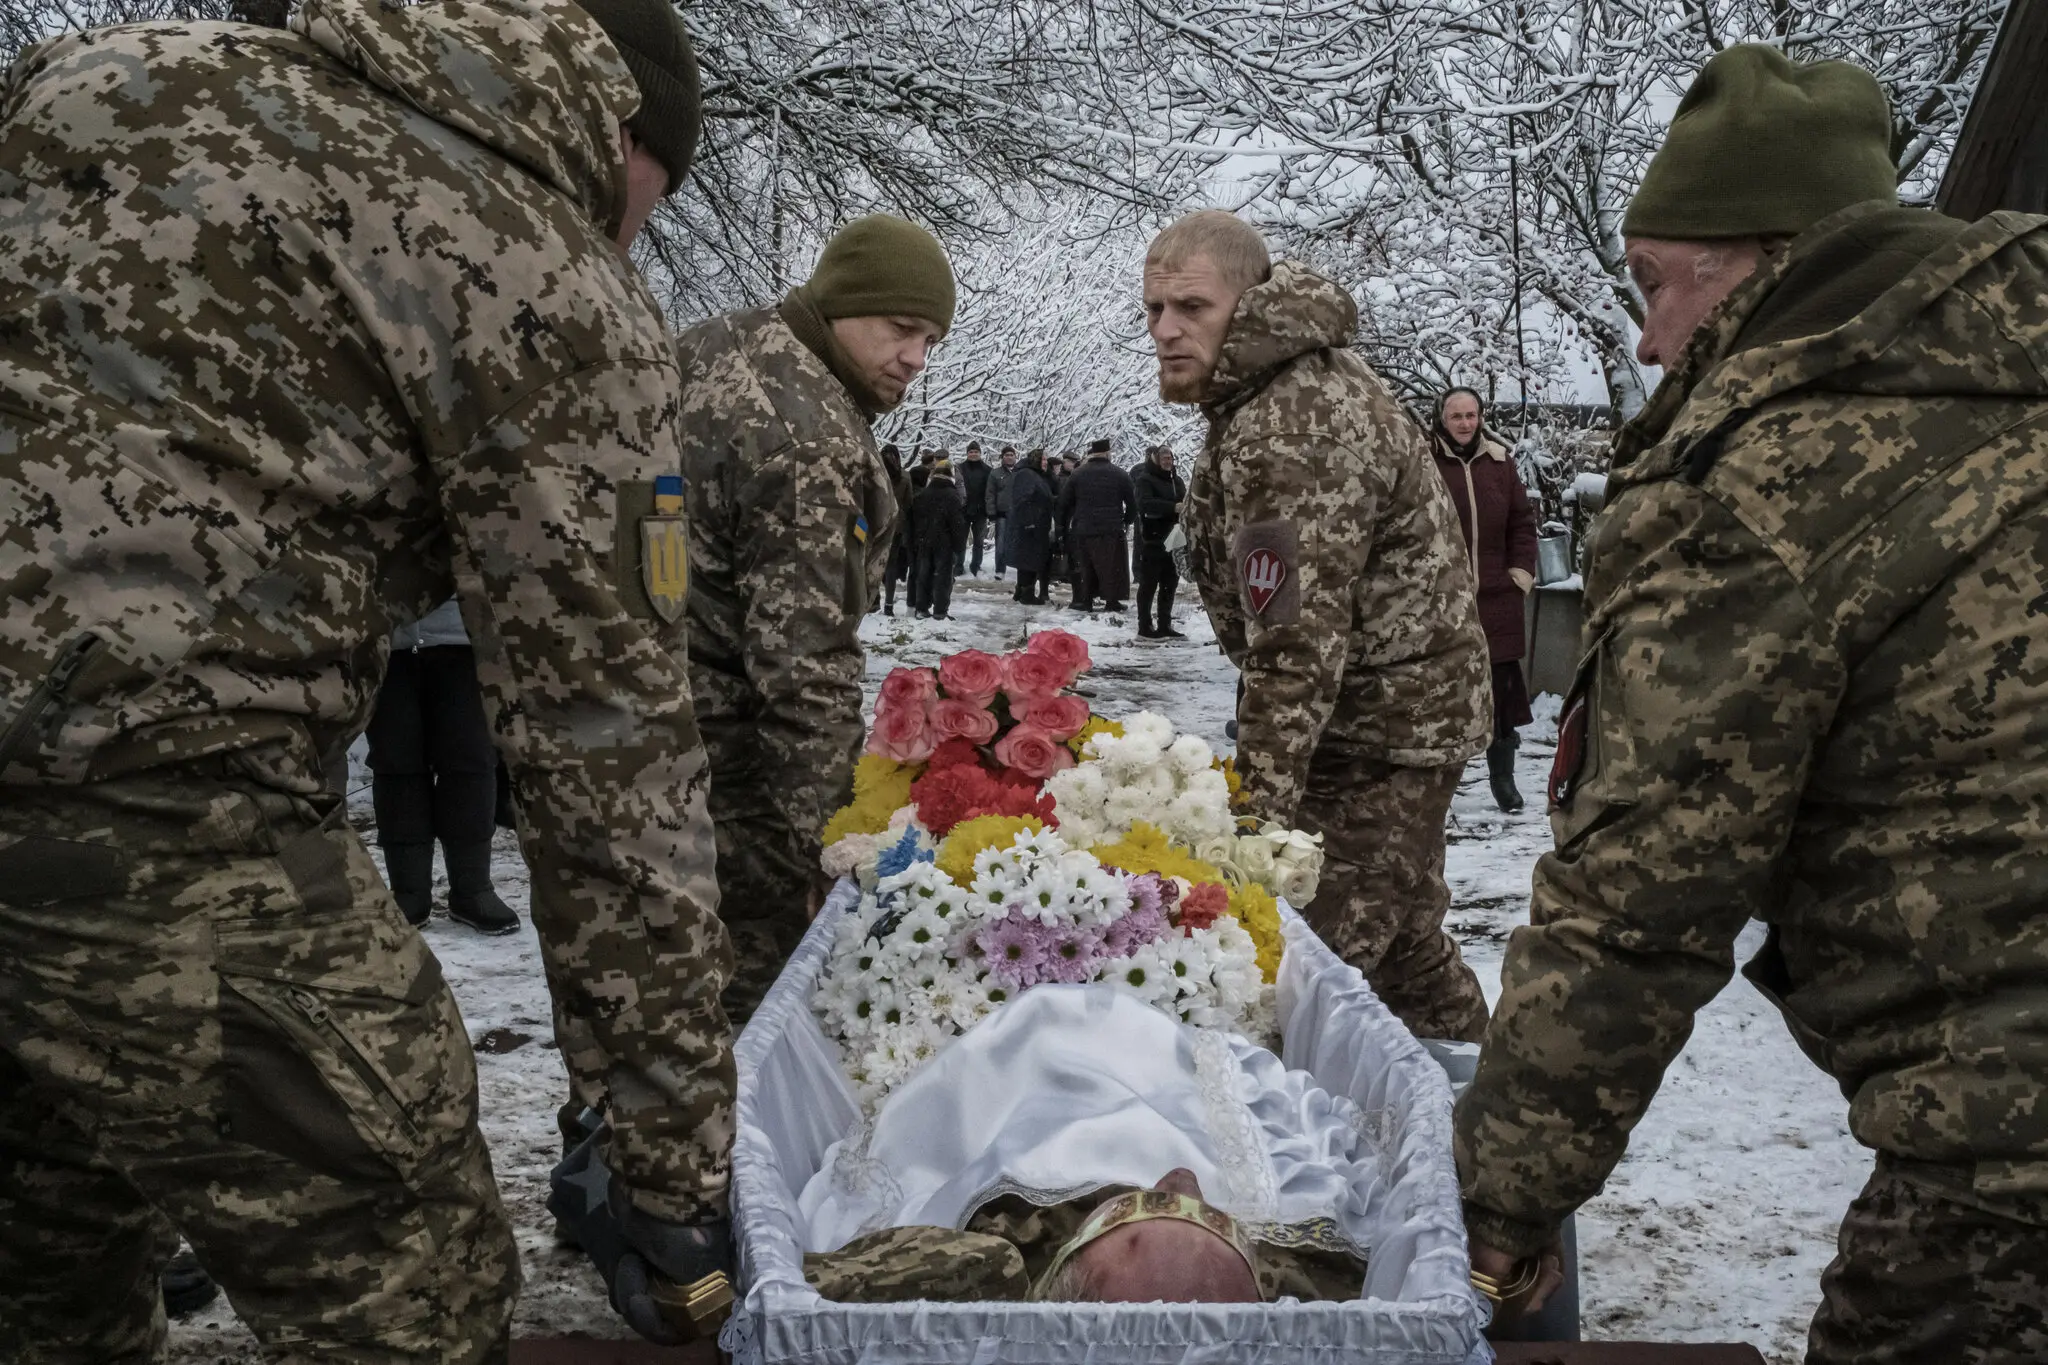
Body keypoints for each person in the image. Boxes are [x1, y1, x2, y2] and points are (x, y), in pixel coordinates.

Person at [0, 0, 735, 1356]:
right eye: (651, 199)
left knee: (41, 1269)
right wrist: (673, 1172)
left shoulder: (98, 72)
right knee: (417, 1289)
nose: (637, 233)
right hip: (170, 827)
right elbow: (610, 766)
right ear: (615, 127)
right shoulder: (537, 259)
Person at [1454, 46, 2048, 1360]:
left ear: (1769, 256)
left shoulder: (1764, 476)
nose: (1653, 339)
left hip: (2007, 1150)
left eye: (1660, 286)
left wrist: (1496, 1203)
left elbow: (1638, 900)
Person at [1145, 210, 1492, 1044]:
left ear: (1252, 301)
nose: (1165, 330)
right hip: (1389, 723)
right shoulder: (1274, 390)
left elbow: (1293, 648)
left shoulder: (1290, 422)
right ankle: (1479, 1127)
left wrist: (1255, 826)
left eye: (1191, 306)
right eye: (1153, 309)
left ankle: (1433, 1151)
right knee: (1406, 950)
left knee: (1306, 978)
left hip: (1376, 738)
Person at [677, 215, 952, 1025]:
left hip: (635, 730)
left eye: (931, 340)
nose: (915, 358)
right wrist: (837, 843)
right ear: (838, 303)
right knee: (745, 1011)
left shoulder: (714, 345)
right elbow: (803, 671)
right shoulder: (810, 441)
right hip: (731, 777)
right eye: (901, 329)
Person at [797, 988, 1370, 1305]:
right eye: (1200, 1209)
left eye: (1147, 1206)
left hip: (1041, 1106)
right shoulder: (1311, 1276)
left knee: (1038, 1028)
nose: (1178, 1180)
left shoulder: (975, 1263)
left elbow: (815, 1282)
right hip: (1152, 1080)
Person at [365, 597, 521, 934]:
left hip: (465, 640)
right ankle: (408, 893)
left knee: (470, 762)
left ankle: (473, 889)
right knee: (396, 762)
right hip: (386, 641)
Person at [1429, 389, 1538, 814]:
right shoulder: (1425, 462)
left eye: (1471, 415)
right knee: (1444, 693)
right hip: (1445, 599)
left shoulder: (1499, 462)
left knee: (1501, 696)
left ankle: (1503, 781)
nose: (1464, 423)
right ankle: (1439, 787)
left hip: (1497, 597)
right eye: (1456, 415)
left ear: (1481, 417)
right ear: (1442, 418)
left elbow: (1522, 522)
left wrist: (1520, 573)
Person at [1057, 438, 1138, 612]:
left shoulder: (1077, 474)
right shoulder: (1120, 474)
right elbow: (1133, 504)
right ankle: (1111, 600)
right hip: (1111, 528)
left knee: (1087, 565)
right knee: (1111, 567)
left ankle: (1086, 600)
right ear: (1108, 453)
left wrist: (1063, 527)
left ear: (1092, 454)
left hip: (1084, 527)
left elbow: (1064, 503)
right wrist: (1126, 521)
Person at [1132, 444, 1188, 640]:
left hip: (1174, 539)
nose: (1168, 462)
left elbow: (1185, 501)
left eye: (1170, 459)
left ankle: (1165, 624)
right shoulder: (1145, 479)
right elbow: (1144, 503)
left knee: (1169, 584)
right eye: (1164, 458)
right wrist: (1172, 507)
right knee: (1148, 585)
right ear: (1155, 459)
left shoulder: (1177, 480)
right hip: (1153, 539)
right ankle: (1144, 625)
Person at [908, 458, 969, 620]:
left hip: (923, 542)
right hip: (944, 543)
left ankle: (921, 608)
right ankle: (940, 611)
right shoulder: (952, 495)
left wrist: (915, 540)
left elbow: (914, 520)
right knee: (943, 577)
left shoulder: (923, 495)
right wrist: (959, 546)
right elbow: (957, 524)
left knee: (923, 575)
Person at [1007, 449, 1058, 605]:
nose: (1046, 463)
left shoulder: (1036, 475)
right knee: (1028, 560)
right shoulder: (1027, 475)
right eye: (1043, 459)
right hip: (1030, 526)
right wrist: (1029, 521)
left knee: (1029, 560)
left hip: (1037, 525)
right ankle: (1026, 594)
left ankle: (1022, 591)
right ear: (1035, 460)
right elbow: (1022, 500)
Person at [879, 443, 915, 617]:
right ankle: (888, 605)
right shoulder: (905, 477)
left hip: (875, 524)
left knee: (872, 563)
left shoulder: (875, 474)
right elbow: (909, 505)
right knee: (891, 565)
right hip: (896, 525)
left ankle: (873, 602)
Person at [958, 441, 995, 576]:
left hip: (981, 511)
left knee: (979, 542)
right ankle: (958, 566)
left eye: (976, 452)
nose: (973, 454)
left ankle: (976, 565)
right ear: (967, 454)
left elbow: (990, 491)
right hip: (963, 510)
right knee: (961, 541)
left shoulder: (987, 470)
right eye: (971, 452)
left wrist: (989, 509)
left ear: (980, 453)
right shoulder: (959, 468)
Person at [989, 444, 1019, 576]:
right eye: (1006, 455)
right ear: (1002, 457)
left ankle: (1021, 569)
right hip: (1002, 514)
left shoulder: (1021, 472)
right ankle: (1000, 569)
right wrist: (991, 512)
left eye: (1011, 455)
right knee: (1000, 544)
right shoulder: (995, 473)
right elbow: (990, 494)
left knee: (1019, 543)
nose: (1009, 457)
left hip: (1019, 514)